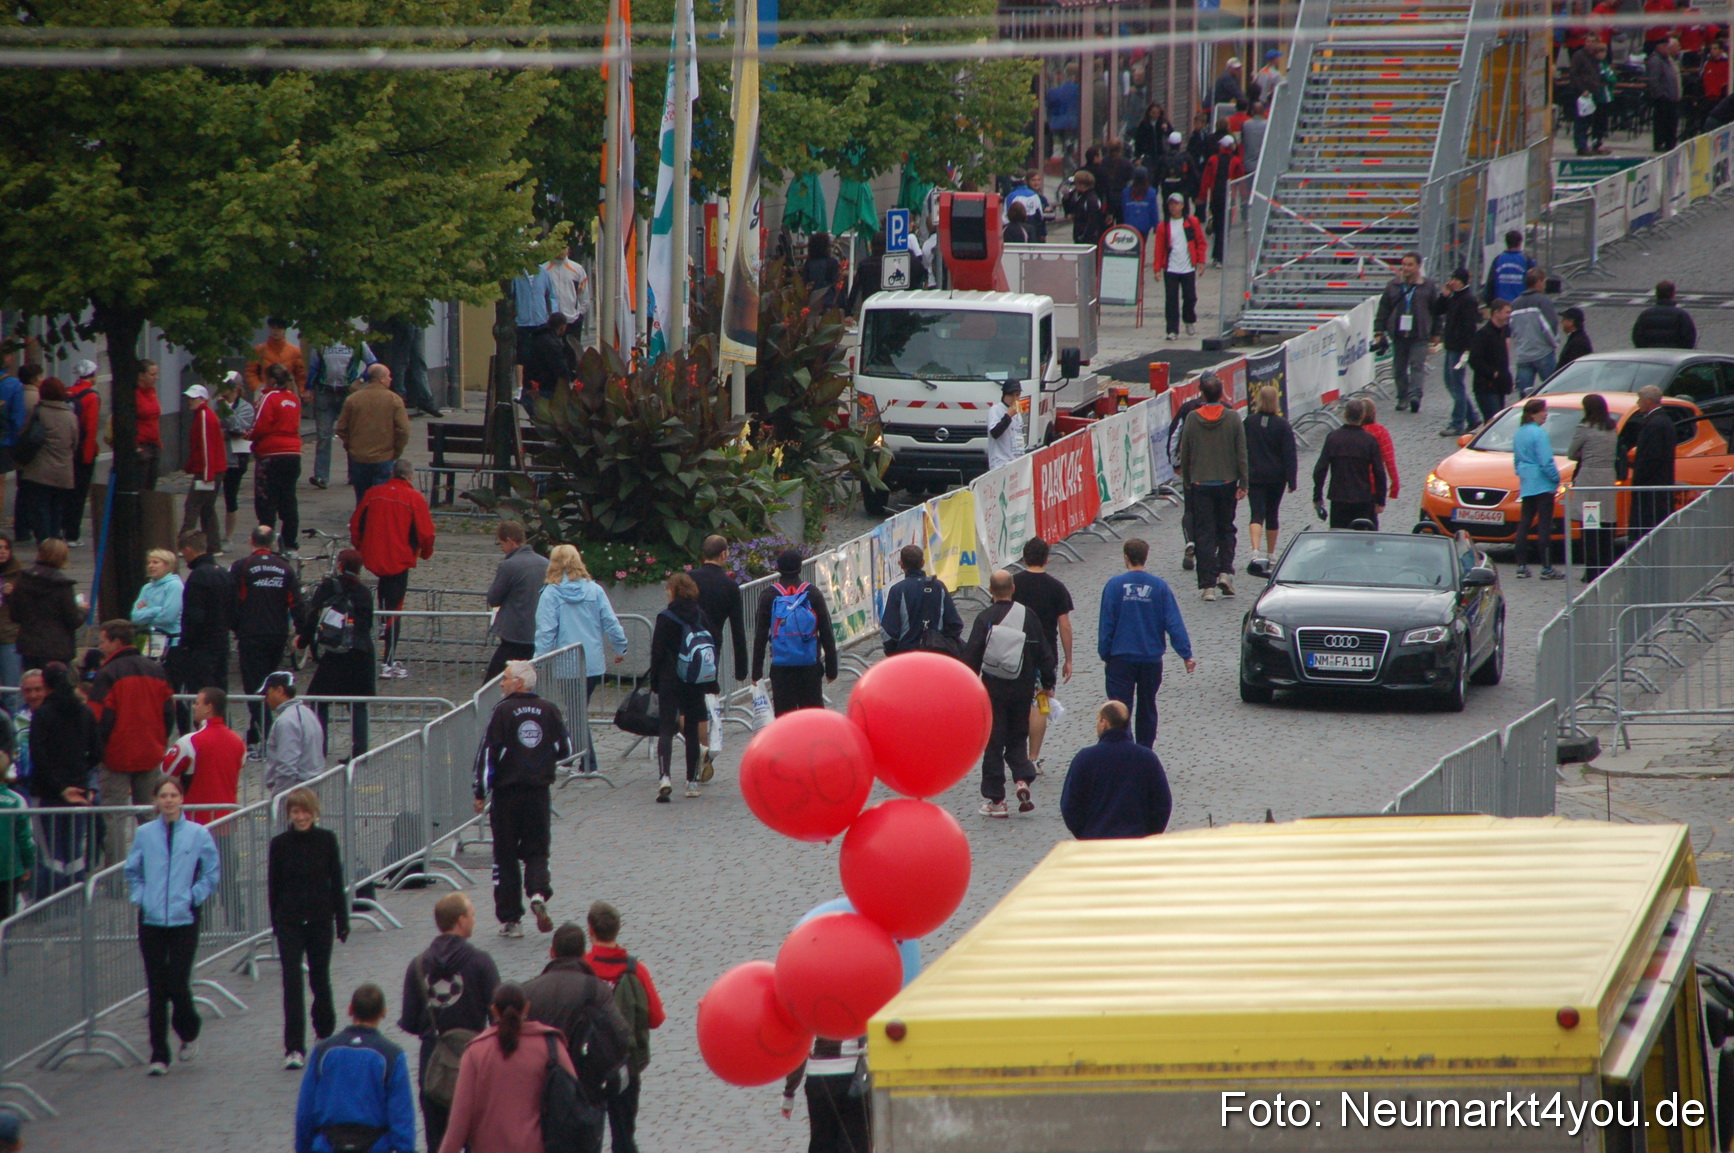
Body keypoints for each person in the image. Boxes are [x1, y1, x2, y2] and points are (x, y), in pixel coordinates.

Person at [125, 775, 220, 1075]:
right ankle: (159, 1053)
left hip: (184, 918)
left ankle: (188, 1028)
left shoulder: (198, 834)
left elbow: (211, 872)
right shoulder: (144, 834)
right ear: (156, 800)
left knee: (178, 981)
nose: (168, 801)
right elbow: (132, 870)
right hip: (151, 918)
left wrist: (194, 896)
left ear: (181, 799)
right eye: (163, 796)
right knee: (156, 987)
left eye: (173, 795)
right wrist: (141, 897)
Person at [398, 892, 501, 1153]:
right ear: (461, 920)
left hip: (433, 1061)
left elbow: (410, 1021)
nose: (475, 919)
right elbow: (497, 1015)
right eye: (472, 915)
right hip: (473, 1056)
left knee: (438, 1140)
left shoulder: (418, 965)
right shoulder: (481, 962)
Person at [474, 660, 568, 938]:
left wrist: (479, 790)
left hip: (507, 795)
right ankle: (538, 892)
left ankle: (511, 920)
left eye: (504, 678)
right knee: (537, 850)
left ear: (518, 683)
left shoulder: (502, 711)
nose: (500, 683)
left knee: (505, 856)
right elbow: (566, 748)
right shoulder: (549, 710)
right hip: (538, 793)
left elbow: (487, 755)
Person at [523, 921, 631, 1147]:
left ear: (552, 952)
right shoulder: (595, 989)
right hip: (585, 1091)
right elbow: (620, 1033)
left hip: (541, 1093)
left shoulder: (529, 991)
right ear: (584, 954)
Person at [265, 783, 350, 1070]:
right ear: (289, 815)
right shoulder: (279, 845)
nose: (300, 817)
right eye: (295, 812)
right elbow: (273, 887)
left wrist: (342, 920)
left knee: (319, 979)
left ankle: (324, 1033)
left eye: (305, 812)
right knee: (291, 982)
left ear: (315, 813)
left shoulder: (326, 840)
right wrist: (275, 921)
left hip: (320, 919)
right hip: (289, 920)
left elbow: (336, 882)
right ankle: (293, 1047)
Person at [436, 982, 573, 1153]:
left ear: (494, 1010)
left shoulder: (476, 1052)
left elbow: (459, 1121)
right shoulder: (551, 1045)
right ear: (527, 1008)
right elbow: (572, 1100)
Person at [963, 570, 1054, 818]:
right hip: (1022, 686)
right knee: (1017, 735)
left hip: (993, 689)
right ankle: (1022, 780)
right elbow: (1043, 651)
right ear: (1013, 588)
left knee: (993, 742)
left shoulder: (985, 618)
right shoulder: (1028, 616)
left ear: (991, 591)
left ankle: (996, 801)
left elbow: (971, 656)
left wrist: (968, 688)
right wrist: (1048, 682)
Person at [87, 619, 174, 864]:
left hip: (116, 756)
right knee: (150, 816)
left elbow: (98, 718)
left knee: (114, 818)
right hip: (150, 754)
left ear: (116, 641)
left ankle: (114, 878)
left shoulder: (107, 673)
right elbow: (169, 712)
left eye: (103, 641)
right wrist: (160, 742)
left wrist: (98, 751)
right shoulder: (156, 670)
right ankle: (158, 868)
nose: (100, 646)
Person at [294, 983, 417, 1153]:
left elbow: (305, 1112)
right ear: (383, 1012)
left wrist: (303, 1148)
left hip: (327, 1145)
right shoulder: (392, 1055)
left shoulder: (323, 1051)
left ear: (350, 1010)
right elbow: (402, 1116)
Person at [1097, 538, 1194, 748]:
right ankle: (1144, 750)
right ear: (1145, 557)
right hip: (1150, 659)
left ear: (1126, 558)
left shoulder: (1114, 585)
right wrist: (1186, 654)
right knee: (1147, 706)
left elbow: (1107, 623)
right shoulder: (1159, 587)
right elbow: (1173, 622)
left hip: (1120, 658)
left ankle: (1122, 749)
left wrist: (1105, 653)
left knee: (1119, 708)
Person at [584, 900, 662, 1153]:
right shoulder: (635, 969)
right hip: (624, 1063)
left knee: (586, 1133)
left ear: (590, 929)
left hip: (587, 1062)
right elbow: (656, 1018)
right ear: (618, 929)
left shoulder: (582, 967)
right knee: (624, 1136)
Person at [351, 459, 436, 679]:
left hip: (374, 556)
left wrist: (361, 547)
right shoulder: (414, 498)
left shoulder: (373, 493)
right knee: (394, 609)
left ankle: (379, 646)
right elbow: (426, 533)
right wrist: (425, 553)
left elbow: (357, 522)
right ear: (410, 476)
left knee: (382, 601)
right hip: (398, 560)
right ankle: (388, 661)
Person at [296, 551, 375, 762]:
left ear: (339, 565)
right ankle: (360, 752)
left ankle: (319, 749)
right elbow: (368, 624)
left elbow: (313, 616)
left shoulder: (329, 587)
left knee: (318, 698)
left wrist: (303, 640)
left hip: (335, 654)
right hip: (361, 652)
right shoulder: (365, 592)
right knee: (358, 705)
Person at [1177, 372, 1248, 600]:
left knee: (1204, 534)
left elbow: (1185, 451)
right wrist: (1243, 481)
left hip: (1201, 483)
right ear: (1221, 391)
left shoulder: (1192, 418)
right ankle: (1225, 572)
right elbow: (1241, 453)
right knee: (1226, 529)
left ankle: (1207, 586)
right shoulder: (1233, 418)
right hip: (1227, 482)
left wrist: (1187, 479)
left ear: (1202, 393)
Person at [28, 664, 97, 896]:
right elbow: (97, 752)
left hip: (48, 793)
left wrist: (60, 787)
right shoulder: (85, 712)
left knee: (50, 853)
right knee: (74, 851)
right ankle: (75, 900)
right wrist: (79, 776)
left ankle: (49, 903)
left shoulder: (43, 714)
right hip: (79, 790)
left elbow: (39, 756)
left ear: (46, 685)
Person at [1059, 701, 1173, 840]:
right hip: (1137, 842)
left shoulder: (1085, 758)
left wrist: (1086, 835)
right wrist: (1148, 835)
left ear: (1104, 722)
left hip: (1097, 841)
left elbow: (1070, 805)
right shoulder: (1147, 758)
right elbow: (1162, 804)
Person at [232, 525, 301, 753]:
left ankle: (271, 740)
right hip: (277, 634)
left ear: (252, 541)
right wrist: (301, 633)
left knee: (255, 689)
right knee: (267, 687)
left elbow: (231, 601)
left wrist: (237, 627)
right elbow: (296, 603)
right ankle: (254, 737)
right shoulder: (285, 568)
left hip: (251, 634)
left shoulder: (242, 566)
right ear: (272, 543)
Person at [651, 573, 719, 801]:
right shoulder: (700, 615)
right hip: (695, 680)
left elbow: (657, 652)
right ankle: (691, 782)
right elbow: (712, 646)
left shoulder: (665, 617)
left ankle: (665, 778)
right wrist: (711, 681)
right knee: (691, 731)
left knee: (666, 730)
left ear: (672, 591)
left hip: (670, 679)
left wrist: (655, 683)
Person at [751, 551, 839, 719]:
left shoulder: (769, 595)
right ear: (800, 568)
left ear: (778, 569)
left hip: (781, 668)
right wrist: (831, 670)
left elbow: (760, 637)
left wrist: (756, 673)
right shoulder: (812, 594)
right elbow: (827, 632)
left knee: (785, 718)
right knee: (813, 716)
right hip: (809, 665)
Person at [534, 543, 628, 699]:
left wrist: (538, 661)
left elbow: (546, 631)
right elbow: (610, 621)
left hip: (566, 663)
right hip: (592, 661)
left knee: (573, 708)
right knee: (582, 706)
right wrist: (620, 647)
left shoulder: (550, 593)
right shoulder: (595, 589)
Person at [1012, 538, 1073, 765]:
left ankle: (1015, 755)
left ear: (1024, 557)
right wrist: (1068, 659)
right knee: (1041, 703)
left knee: (1017, 704)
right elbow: (1064, 625)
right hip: (1045, 654)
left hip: (1014, 653)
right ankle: (1033, 757)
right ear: (1047, 558)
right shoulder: (1056, 587)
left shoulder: (1013, 584)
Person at [173, 529, 237, 725]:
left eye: (183, 551)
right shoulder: (224, 573)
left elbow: (194, 616)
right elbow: (234, 610)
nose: (183, 556)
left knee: (202, 696)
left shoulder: (198, 577)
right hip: (221, 644)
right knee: (219, 696)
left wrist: (185, 643)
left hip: (201, 648)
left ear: (190, 549)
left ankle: (202, 736)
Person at [161, 685, 244, 828]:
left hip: (195, 822)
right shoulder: (239, 742)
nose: (193, 707)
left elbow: (166, 770)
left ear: (208, 708)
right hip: (227, 819)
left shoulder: (190, 741)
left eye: (197, 703)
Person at [336, 363, 411, 507]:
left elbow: (341, 428)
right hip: (384, 457)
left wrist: (350, 446)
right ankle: (376, 525)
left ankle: (361, 524)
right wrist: (396, 451)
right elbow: (403, 430)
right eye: (388, 376)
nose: (391, 379)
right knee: (380, 500)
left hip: (358, 457)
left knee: (362, 499)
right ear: (381, 379)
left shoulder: (353, 399)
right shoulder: (394, 400)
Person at [1373, 252, 1439, 414]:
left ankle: (1415, 395)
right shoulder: (1393, 285)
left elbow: (1436, 311)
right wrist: (1378, 331)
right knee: (1399, 368)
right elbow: (1383, 309)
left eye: (1410, 265)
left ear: (1418, 266)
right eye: (1404, 264)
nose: (1406, 268)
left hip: (1419, 333)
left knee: (1417, 365)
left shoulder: (1428, 286)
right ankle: (1403, 396)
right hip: (1399, 334)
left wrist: (1437, 332)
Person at [782, 1034, 870, 1153]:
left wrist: (789, 1093)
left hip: (818, 1078)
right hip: (853, 1077)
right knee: (855, 1141)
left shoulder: (810, 1014)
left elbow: (799, 1048)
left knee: (821, 1141)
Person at [252, 363, 305, 557]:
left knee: (266, 500)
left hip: (271, 454)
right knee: (288, 498)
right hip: (293, 453)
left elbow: (260, 425)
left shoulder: (268, 397)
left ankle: (266, 542)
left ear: (272, 380)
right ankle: (290, 543)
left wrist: (248, 436)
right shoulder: (293, 398)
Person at [15, 377, 76, 545]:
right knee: (57, 509)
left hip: (39, 472)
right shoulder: (70, 415)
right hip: (63, 472)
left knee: (40, 509)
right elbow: (75, 442)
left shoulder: (39, 413)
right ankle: (55, 544)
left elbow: (24, 434)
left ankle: (44, 543)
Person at [1243, 385, 1297, 573]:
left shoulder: (1249, 422)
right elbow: (1289, 454)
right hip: (1276, 477)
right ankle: (1271, 553)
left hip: (1255, 475)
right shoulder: (1282, 425)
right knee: (1272, 513)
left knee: (1256, 513)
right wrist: (1292, 480)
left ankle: (1255, 551)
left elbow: (1242, 449)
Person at [1311, 398, 1389, 529]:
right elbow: (1379, 472)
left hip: (1339, 498)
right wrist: (1380, 500)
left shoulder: (1333, 438)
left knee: (1338, 538)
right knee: (1362, 539)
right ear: (1362, 416)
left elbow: (1320, 469)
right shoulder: (1369, 441)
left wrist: (1317, 497)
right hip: (1363, 499)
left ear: (1345, 414)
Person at [1568, 393, 1621, 580]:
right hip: (1607, 478)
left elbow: (1571, 452)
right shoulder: (1612, 427)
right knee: (1606, 524)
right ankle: (1606, 567)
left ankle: (1591, 569)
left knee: (1590, 525)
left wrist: (1583, 455)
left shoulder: (1585, 428)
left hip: (1590, 480)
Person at [485, 522, 546, 683]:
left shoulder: (509, 565)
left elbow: (493, 598)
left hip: (514, 634)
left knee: (493, 683)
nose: (501, 548)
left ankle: (492, 708)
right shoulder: (545, 563)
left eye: (501, 543)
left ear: (511, 541)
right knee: (530, 683)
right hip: (539, 633)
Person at [879, 544, 965, 657]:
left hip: (907, 654)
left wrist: (894, 653)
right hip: (936, 653)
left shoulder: (897, 590)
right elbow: (955, 624)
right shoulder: (939, 587)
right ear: (923, 563)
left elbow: (889, 632)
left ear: (901, 564)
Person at [307, 337, 369, 490]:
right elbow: (314, 367)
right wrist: (309, 388)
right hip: (324, 391)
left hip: (347, 392)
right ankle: (321, 476)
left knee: (351, 434)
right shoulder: (321, 341)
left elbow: (373, 364)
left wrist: (360, 380)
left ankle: (354, 474)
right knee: (323, 435)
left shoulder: (356, 342)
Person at [1512, 397, 1564, 580]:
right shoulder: (1539, 434)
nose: (1546, 415)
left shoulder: (1519, 432)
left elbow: (1517, 461)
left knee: (1524, 523)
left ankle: (1521, 566)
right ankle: (1547, 567)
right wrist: (1555, 478)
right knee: (1544, 525)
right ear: (1535, 413)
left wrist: (1524, 474)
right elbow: (1545, 460)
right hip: (1542, 483)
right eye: (1544, 411)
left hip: (1527, 482)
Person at [12, 539, 81, 670]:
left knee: (32, 685)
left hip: (29, 646)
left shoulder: (23, 579)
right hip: (57, 648)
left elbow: (15, 615)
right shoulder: (62, 585)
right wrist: (83, 610)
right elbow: (73, 620)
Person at [1431, 268, 1483, 436]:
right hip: (1451, 346)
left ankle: (1457, 423)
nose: (1452, 282)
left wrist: (1468, 349)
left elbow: (1470, 327)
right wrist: (1444, 295)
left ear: (1462, 281)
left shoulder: (1468, 300)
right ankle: (1472, 417)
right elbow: (1437, 310)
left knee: (1457, 385)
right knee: (1450, 382)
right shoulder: (1454, 297)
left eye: (1455, 279)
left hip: (1460, 348)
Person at [1626, 384, 1680, 539]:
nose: (1638, 404)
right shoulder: (1662, 421)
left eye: (1639, 400)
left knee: (1648, 528)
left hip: (1651, 487)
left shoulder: (1655, 424)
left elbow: (1652, 456)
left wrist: (1639, 476)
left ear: (1649, 401)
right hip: (1658, 484)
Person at [179, 383, 227, 551]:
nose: (189, 401)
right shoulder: (203, 415)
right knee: (207, 509)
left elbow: (206, 446)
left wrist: (207, 473)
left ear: (202, 399)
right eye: (188, 398)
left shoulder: (204, 416)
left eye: (193, 398)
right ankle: (214, 546)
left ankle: (186, 543)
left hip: (209, 470)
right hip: (213, 469)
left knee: (193, 506)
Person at [261, 671, 326, 795]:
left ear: (279, 690)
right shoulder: (308, 713)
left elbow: (287, 765)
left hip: (295, 792)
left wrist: (279, 796)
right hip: (310, 786)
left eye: (267, 693)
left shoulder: (286, 721)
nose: (266, 699)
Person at [1153, 193, 1206, 340]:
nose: (1173, 207)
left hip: (1188, 266)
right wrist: (1157, 269)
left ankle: (1189, 319)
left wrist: (1201, 261)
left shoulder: (1192, 222)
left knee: (1190, 297)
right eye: (1171, 204)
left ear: (1182, 206)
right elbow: (1159, 248)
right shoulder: (1164, 226)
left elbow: (1200, 242)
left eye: (1176, 204)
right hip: (1170, 267)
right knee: (1171, 299)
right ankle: (1172, 330)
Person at [215, 370, 257, 549]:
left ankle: (229, 537)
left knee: (231, 497)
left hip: (236, 458)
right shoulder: (214, 404)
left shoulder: (246, 408)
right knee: (209, 497)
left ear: (238, 390)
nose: (225, 392)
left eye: (230, 388)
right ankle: (211, 535)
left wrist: (226, 413)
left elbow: (239, 428)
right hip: (217, 455)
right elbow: (210, 428)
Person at [62, 362, 101, 548]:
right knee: (79, 495)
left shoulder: (69, 392)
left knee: (66, 492)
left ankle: (61, 527)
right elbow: (91, 427)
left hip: (66, 450)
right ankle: (72, 534)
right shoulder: (91, 396)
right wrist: (87, 456)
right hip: (83, 452)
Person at [1508, 267, 1560, 397]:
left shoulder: (1514, 304)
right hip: (1543, 353)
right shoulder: (1543, 301)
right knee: (1552, 391)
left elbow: (1512, 329)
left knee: (1525, 396)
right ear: (1538, 282)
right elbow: (1550, 326)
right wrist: (1554, 344)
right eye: (1543, 281)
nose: (1544, 285)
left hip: (1523, 355)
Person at [1198, 136, 1246, 266]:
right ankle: (1220, 257)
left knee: (1218, 227)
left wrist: (1202, 197)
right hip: (1228, 198)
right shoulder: (1236, 161)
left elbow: (1206, 180)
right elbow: (1241, 181)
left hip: (1215, 197)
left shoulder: (1213, 160)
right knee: (1225, 228)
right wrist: (1244, 198)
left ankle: (1216, 256)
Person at [131, 548, 184, 661]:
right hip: (153, 640)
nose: (150, 566)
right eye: (149, 563)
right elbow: (135, 618)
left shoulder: (174, 586)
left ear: (167, 565)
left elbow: (168, 617)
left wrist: (146, 613)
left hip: (172, 641)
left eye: (155, 562)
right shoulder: (147, 588)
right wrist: (157, 610)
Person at [1470, 298, 1516, 424]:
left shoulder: (1502, 332)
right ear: (1496, 313)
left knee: (1497, 422)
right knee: (1493, 423)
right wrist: (1493, 373)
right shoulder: (1483, 334)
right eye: (1507, 312)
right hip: (1486, 387)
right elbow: (1474, 360)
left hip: (1499, 387)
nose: (1509, 315)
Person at [0, 753, 34, 917]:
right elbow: (25, 837)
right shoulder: (16, 800)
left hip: (10, 867)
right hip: (9, 867)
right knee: (7, 914)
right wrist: (28, 863)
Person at [521, 313, 577, 405]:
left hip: (529, 387)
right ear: (563, 327)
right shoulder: (552, 344)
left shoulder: (534, 337)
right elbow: (560, 369)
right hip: (545, 390)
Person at [247, 317, 309, 397]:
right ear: (269, 328)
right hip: (266, 395)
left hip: (288, 395)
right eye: (273, 328)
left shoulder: (294, 351)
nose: (275, 331)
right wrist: (259, 389)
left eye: (279, 328)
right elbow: (250, 372)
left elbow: (300, 376)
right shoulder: (260, 350)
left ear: (284, 330)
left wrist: (300, 392)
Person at [545, 245, 592, 348]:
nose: (561, 251)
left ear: (568, 249)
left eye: (563, 247)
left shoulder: (577, 269)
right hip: (550, 322)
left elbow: (584, 297)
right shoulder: (545, 270)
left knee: (572, 355)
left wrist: (578, 316)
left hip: (571, 320)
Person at [1571, 40, 1613, 154]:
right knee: (1581, 121)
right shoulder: (1579, 56)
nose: (1590, 44)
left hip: (1594, 92)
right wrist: (1582, 90)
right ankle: (1581, 146)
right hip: (1583, 93)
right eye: (1588, 42)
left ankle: (1595, 144)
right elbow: (1574, 75)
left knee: (1593, 120)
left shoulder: (1595, 57)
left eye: (1593, 42)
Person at [1631, 280, 1698, 348]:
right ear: (1673, 294)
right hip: (1674, 355)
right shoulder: (1681, 315)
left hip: (1651, 354)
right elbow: (1689, 337)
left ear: (1656, 294)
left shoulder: (1645, 315)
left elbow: (1637, 336)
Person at [1361, 399, 1400, 504]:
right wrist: (1395, 486)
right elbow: (1389, 461)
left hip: (1351, 484)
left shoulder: (1350, 433)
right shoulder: (1380, 432)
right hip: (1372, 484)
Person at [1648, 37, 1683, 151]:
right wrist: (1661, 95)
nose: (1668, 49)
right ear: (1659, 47)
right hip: (1663, 99)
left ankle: (1670, 143)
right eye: (1665, 46)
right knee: (1662, 123)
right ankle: (1660, 143)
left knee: (1671, 123)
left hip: (1672, 98)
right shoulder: (1656, 60)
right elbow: (1654, 80)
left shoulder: (1667, 59)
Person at [1483, 230, 1535, 306]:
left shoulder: (1498, 260)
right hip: (1521, 306)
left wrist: (1489, 303)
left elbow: (1490, 284)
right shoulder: (1526, 260)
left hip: (1501, 308)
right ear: (1520, 243)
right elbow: (1534, 284)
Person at [134, 359, 163, 491]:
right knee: (141, 485)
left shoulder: (152, 391)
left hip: (154, 444)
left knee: (151, 486)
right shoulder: (134, 394)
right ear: (141, 376)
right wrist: (136, 446)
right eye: (152, 375)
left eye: (156, 374)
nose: (156, 378)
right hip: (141, 445)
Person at [1060, 168, 1109, 246]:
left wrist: (1084, 236)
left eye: (1076, 183)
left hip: (1088, 238)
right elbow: (1069, 208)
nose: (1074, 185)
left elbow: (1093, 220)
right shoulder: (1077, 194)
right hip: (1078, 233)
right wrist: (1066, 198)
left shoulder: (1091, 199)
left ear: (1081, 185)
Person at [0, 534, 21, 710]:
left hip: (9, 636)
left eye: (6, 548)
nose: (3, 552)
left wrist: (13, 595)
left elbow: (28, 607)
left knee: (11, 690)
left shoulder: (18, 575)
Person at [986, 379, 1025, 471]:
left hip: (1016, 462)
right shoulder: (995, 410)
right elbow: (995, 433)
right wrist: (1008, 416)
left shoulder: (1018, 414)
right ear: (1004, 395)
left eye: (1017, 395)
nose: (1015, 399)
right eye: (1011, 395)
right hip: (1000, 464)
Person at [1045, 64, 1081, 162]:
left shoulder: (1054, 91)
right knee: (1070, 146)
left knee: (1062, 145)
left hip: (1057, 124)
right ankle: (1068, 160)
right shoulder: (1079, 90)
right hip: (1073, 123)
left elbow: (1049, 106)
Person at [1156, 131, 1197, 213]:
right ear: (1180, 143)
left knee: (1167, 212)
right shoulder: (1186, 157)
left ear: (1169, 143)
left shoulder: (1163, 158)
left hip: (1166, 190)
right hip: (1182, 190)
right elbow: (1194, 175)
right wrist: (1194, 193)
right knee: (1184, 214)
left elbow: (1156, 176)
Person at [802, 233, 844, 313]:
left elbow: (804, 284)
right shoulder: (832, 262)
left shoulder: (809, 263)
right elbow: (837, 286)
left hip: (812, 304)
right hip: (829, 304)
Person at [1118, 167, 1161, 239]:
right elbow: (1154, 211)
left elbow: (1123, 209)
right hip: (1144, 226)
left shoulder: (1126, 192)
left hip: (1129, 225)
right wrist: (1156, 226)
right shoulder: (1151, 192)